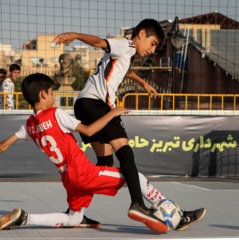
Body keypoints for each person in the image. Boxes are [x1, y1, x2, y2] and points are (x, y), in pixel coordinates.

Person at [0, 73, 204, 233]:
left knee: (73, 218)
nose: (54, 96)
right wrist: (112, 113)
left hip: (69, 179)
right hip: (85, 173)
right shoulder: (57, 114)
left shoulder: (29, 125)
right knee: (137, 178)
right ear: (43, 95)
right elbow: (89, 129)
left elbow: (2, 145)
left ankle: (25, 218)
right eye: (51, 92)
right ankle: (177, 214)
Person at [52, 18, 205, 231]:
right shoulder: (127, 44)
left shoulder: (126, 54)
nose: (152, 50)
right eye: (152, 43)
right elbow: (98, 43)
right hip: (98, 105)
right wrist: (76, 35)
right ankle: (138, 204)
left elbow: (125, 71)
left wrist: (143, 83)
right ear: (141, 34)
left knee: (104, 166)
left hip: (84, 105)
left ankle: (75, 213)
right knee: (126, 155)